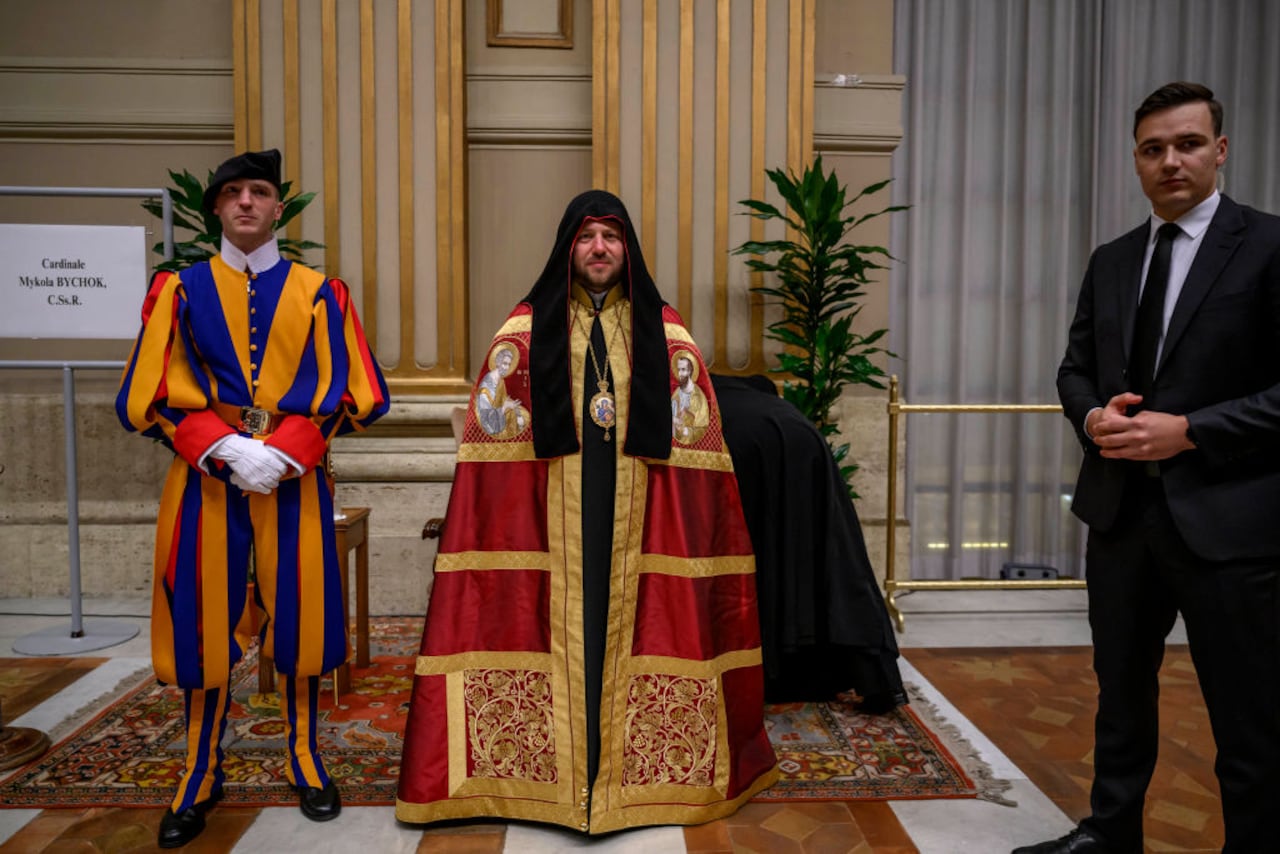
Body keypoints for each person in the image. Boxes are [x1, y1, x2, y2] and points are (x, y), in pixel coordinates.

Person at [396, 190, 778, 833]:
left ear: (627, 250)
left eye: (611, 237)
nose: (598, 248)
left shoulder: (668, 337)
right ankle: (542, 779)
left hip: (639, 529)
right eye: (585, 237)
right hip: (553, 533)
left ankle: (635, 779)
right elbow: (490, 467)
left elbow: (700, 469)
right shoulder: (520, 335)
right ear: (566, 249)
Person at [1017, 83, 1280, 854]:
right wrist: (1092, 414)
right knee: (1119, 697)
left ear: (1220, 150)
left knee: (1249, 714)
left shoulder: (1268, 248)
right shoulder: (1113, 259)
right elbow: (1074, 369)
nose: (1171, 160)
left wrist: (1191, 430)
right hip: (1122, 518)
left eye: (1188, 143)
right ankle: (1111, 833)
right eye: (1153, 148)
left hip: (1231, 524)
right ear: (1136, 159)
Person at [116, 148, 389, 848]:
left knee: (299, 615)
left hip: (293, 482)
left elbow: (358, 391)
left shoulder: (321, 292)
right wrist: (221, 445)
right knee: (200, 622)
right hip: (205, 479)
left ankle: (303, 752)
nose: (245, 202)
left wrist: (286, 451)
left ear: (277, 209)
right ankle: (198, 768)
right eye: (232, 192)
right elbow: (146, 392)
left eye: (258, 192)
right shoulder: (178, 291)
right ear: (215, 208)